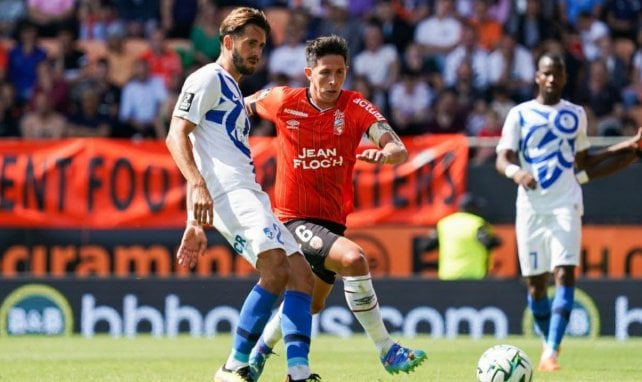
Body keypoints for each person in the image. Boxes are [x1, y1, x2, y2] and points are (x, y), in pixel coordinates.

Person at [244, 35, 427, 379]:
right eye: (325, 72)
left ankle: (258, 354)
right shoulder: (283, 100)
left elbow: (397, 148)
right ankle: (387, 349)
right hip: (292, 219)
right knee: (354, 259)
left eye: (340, 73)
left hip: (332, 221)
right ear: (308, 72)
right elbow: (242, 105)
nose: (333, 81)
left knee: (311, 303)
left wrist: (387, 153)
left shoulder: (355, 106)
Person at [164, 7, 319, 382]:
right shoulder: (207, 78)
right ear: (228, 41)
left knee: (302, 277)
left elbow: (206, 149)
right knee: (276, 269)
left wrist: (194, 221)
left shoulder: (233, 88)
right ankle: (234, 364)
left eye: (262, 46)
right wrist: (200, 189)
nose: (256, 52)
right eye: (250, 43)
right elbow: (176, 135)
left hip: (248, 192)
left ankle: (298, 371)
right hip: (231, 194)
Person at [495, 51, 642, 372]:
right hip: (531, 207)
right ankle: (549, 343)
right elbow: (502, 158)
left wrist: (628, 147)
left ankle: (550, 352)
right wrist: (516, 173)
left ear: (564, 78)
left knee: (564, 273)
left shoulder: (575, 114)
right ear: (537, 76)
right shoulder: (520, 115)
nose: (551, 79)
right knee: (535, 284)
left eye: (557, 74)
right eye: (546, 73)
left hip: (566, 203)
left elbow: (585, 164)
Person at [417, 193, 502, 280]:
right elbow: (488, 242)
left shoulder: (444, 223)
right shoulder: (477, 223)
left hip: (448, 276)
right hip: (473, 276)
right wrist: (497, 240)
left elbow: (426, 246)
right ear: (473, 208)